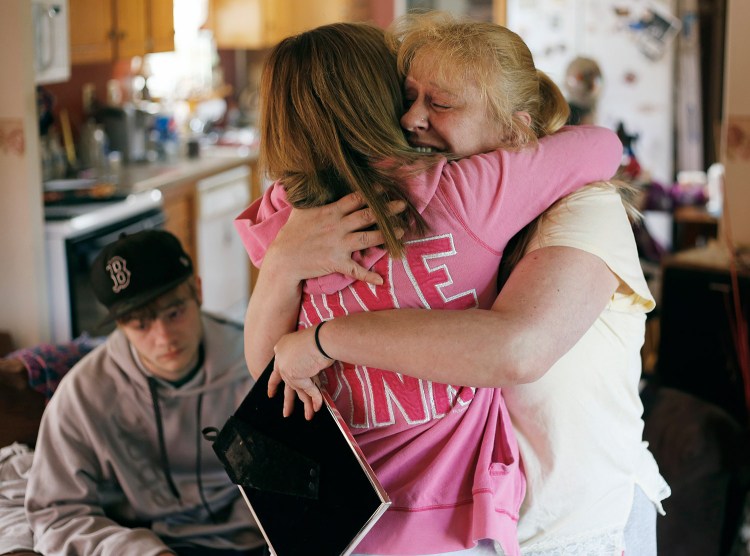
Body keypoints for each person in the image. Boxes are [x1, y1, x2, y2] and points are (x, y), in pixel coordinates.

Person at [239, 12, 670, 556]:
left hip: (572, 526)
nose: (412, 118)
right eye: (407, 95)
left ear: (513, 131)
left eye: (440, 104)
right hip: (466, 526)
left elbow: (516, 349)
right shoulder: (373, 210)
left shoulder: (583, 205)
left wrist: (323, 339)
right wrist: (280, 263)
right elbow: (267, 371)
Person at [24, 230, 266, 556]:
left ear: (197, 290)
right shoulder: (82, 395)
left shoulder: (257, 365)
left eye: (174, 312)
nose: (164, 337)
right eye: (140, 325)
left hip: (258, 542)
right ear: (120, 326)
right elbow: (55, 514)